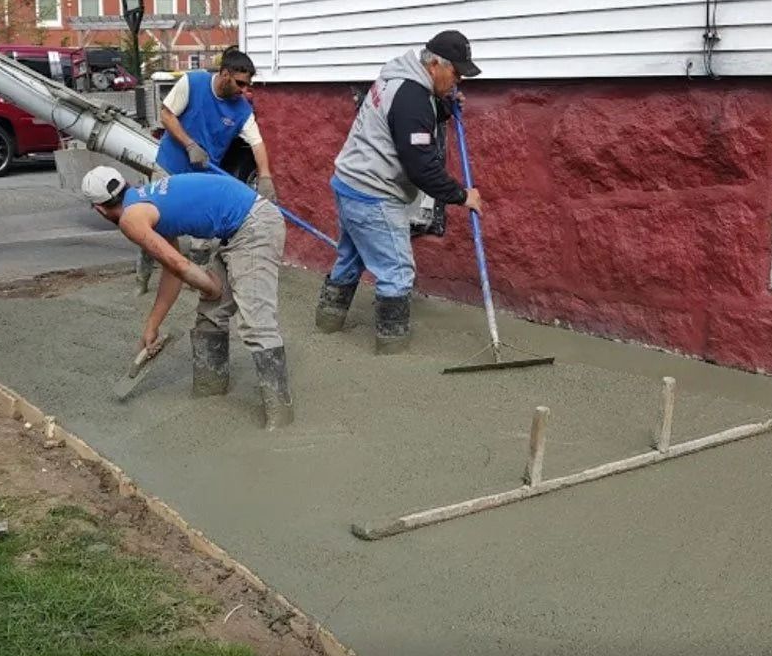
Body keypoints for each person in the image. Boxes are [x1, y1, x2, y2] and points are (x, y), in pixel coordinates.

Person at [82, 166, 292, 429]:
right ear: (125, 185)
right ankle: (210, 390)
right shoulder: (147, 202)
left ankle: (280, 417)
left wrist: (211, 288)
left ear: (99, 209)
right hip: (242, 226)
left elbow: (180, 265)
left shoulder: (130, 220)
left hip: (253, 226)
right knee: (210, 315)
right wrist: (152, 326)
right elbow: (173, 271)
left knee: (256, 321)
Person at [316, 30, 485, 354]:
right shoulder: (413, 97)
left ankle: (327, 322)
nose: (459, 81)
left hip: (350, 183)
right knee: (396, 269)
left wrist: (443, 109)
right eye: (457, 73)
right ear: (435, 64)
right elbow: (421, 167)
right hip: (373, 193)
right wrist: (463, 196)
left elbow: (407, 122)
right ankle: (392, 348)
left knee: (350, 258)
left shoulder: (398, 79)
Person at [155, 48, 275, 199]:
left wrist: (265, 177)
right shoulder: (193, 83)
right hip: (169, 170)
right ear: (225, 74)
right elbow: (166, 115)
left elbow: (257, 144)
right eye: (240, 83)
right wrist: (190, 145)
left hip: (202, 180)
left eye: (247, 85)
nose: (244, 90)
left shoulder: (243, 110)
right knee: (165, 218)